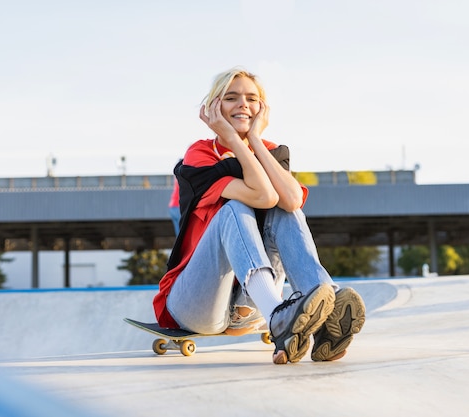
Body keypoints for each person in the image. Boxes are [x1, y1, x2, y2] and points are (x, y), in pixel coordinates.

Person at [153, 67, 366, 365]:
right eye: (231, 97)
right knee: (235, 209)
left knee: (287, 210)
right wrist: (231, 136)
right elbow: (262, 196)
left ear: (262, 108)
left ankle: (325, 313)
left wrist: (254, 140)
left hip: (249, 308)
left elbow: (291, 200)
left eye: (252, 99)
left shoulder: (270, 150)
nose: (243, 104)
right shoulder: (200, 155)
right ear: (214, 106)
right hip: (195, 304)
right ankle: (279, 317)